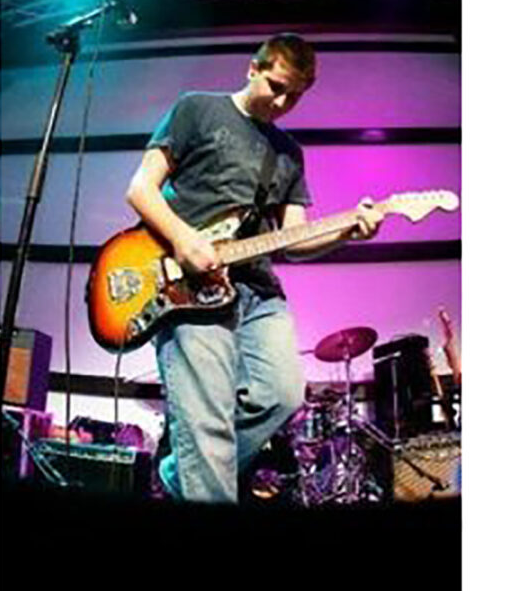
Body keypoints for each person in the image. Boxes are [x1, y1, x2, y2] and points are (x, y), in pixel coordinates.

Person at [125, 33, 384, 503]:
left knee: (283, 394)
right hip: (189, 286)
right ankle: (199, 475)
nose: (284, 102)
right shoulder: (197, 109)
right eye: (277, 86)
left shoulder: (288, 153)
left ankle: (183, 474)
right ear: (253, 68)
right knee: (206, 422)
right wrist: (185, 240)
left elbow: (297, 239)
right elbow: (141, 188)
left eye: (296, 96)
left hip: (259, 290)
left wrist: (350, 229)